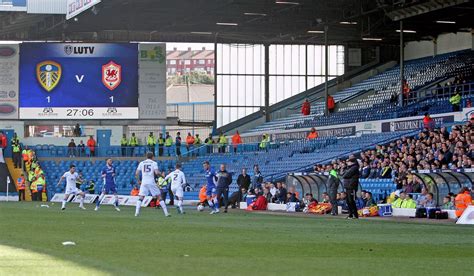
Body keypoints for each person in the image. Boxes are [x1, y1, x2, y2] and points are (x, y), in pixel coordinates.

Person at [135, 152, 169, 217]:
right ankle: (166, 213)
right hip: (151, 181)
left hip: (144, 182)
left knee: (141, 197)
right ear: (152, 156)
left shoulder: (141, 163)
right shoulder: (154, 163)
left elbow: (136, 173)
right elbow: (156, 172)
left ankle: (136, 212)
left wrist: (139, 181)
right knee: (159, 196)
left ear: (146, 156)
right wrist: (162, 176)